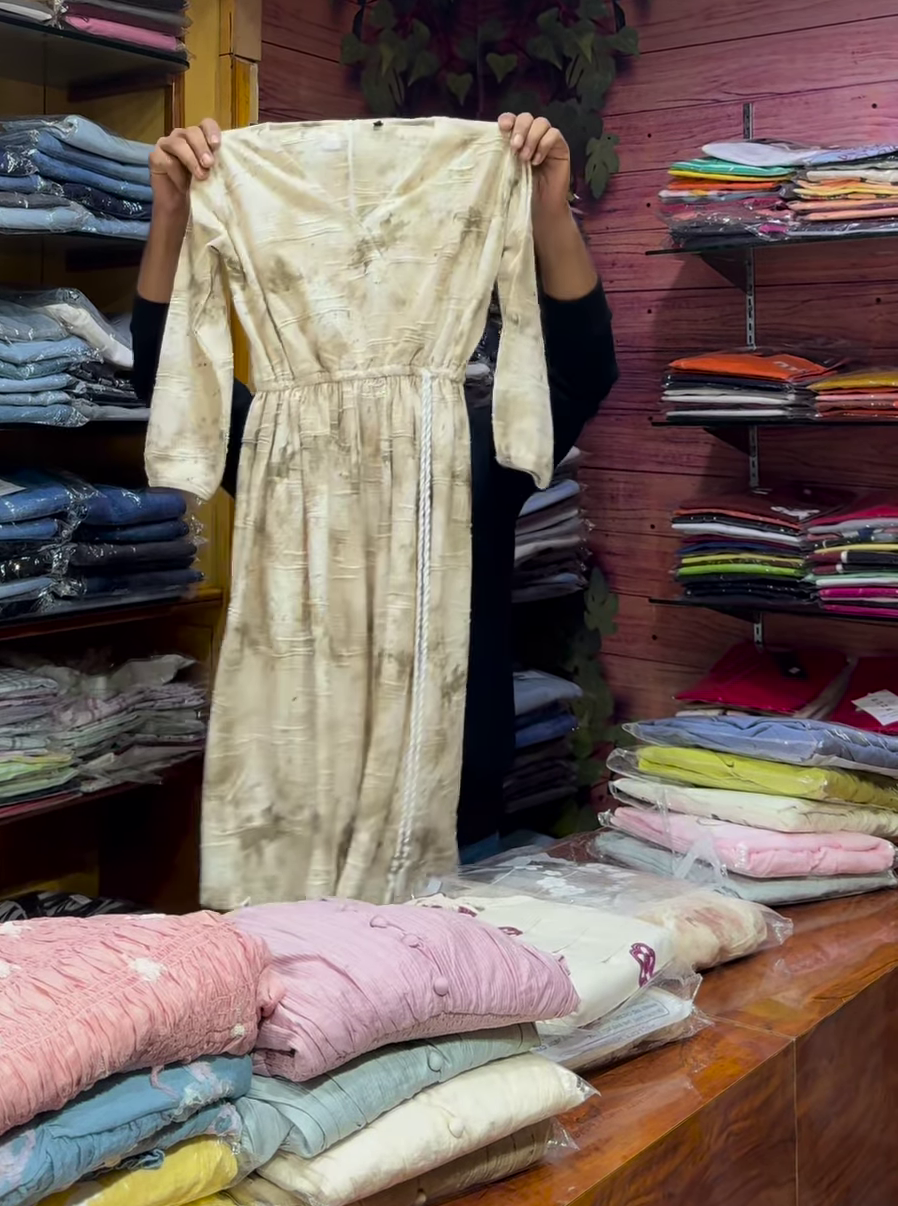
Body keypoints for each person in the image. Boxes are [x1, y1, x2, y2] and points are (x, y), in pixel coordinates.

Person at [131, 110, 618, 847]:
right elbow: (164, 373)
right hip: (298, 820)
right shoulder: (279, 445)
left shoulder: (473, 452)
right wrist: (172, 213)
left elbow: (584, 369)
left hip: (451, 816)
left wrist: (547, 208)